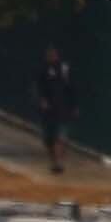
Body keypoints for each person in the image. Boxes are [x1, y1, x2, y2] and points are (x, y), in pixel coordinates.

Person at [35, 46, 76, 175]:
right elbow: (38, 87)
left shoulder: (65, 69)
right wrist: (42, 100)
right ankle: (54, 160)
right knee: (48, 139)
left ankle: (58, 163)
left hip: (63, 109)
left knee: (61, 136)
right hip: (48, 112)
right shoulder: (42, 70)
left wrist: (74, 106)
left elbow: (72, 88)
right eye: (49, 55)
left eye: (54, 55)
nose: (52, 57)